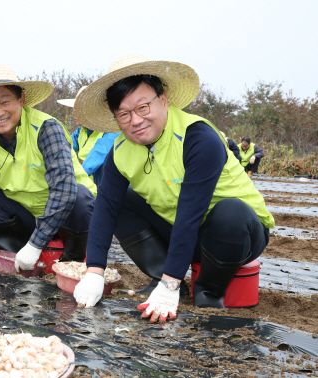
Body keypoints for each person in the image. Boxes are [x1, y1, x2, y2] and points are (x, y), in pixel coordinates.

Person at [71, 54, 274, 322]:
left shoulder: (197, 137)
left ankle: (208, 290)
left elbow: (191, 213)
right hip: (180, 231)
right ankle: (160, 274)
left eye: (143, 107)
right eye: (123, 114)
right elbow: (105, 210)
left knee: (231, 213)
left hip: (238, 235)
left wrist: (171, 284)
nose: (135, 120)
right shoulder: (120, 151)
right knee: (121, 201)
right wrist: (94, 271)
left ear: (163, 100)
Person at [0, 63, 97, 281]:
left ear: (22, 100)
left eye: (5, 102)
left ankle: (70, 260)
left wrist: (36, 243)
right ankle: (23, 254)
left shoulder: (46, 128)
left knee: (80, 195)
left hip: (70, 217)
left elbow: (64, 190)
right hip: (28, 219)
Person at [57, 86, 121, 187]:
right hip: (87, 185)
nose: (73, 113)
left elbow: (97, 157)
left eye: (78, 109)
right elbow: (63, 147)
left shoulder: (113, 131)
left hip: (110, 188)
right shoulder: (82, 130)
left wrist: (70, 177)